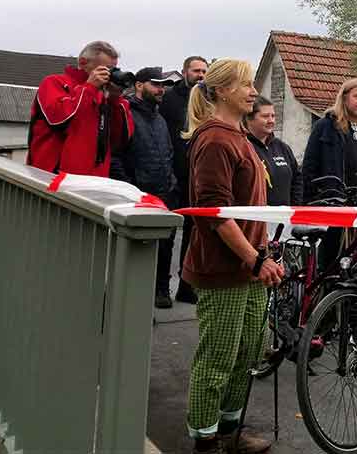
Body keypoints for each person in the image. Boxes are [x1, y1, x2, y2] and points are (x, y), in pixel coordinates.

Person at [180, 58, 283, 454]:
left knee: (246, 356)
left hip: (251, 267)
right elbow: (215, 214)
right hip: (224, 269)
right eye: (245, 84)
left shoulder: (238, 136)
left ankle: (229, 434)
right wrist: (255, 260)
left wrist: (264, 255)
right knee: (218, 358)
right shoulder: (215, 140)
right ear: (222, 91)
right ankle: (205, 443)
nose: (253, 91)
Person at [301, 77, 357, 272]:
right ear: (344, 98)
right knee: (331, 262)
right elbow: (309, 166)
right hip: (333, 203)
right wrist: (312, 199)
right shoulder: (326, 126)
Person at [109, 67, 178, 309]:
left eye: (163, 85)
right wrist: (129, 187)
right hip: (134, 196)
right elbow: (115, 154)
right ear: (139, 85)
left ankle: (160, 290)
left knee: (165, 245)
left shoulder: (159, 119)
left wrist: (170, 179)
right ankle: (133, 305)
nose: (161, 90)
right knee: (136, 252)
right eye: (155, 84)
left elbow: (168, 152)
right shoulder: (125, 112)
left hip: (162, 194)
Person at [27, 41, 133, 177]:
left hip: (95, 178)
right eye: (106, 68)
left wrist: (115, 99)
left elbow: (119, 139)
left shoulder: (103, 96)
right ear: (83, 62)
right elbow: (59, 121)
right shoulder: (54, 82)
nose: (110, 74)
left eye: (113, 69)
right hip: (55, 178)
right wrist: (89, 87)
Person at [161, 55, 209, 305]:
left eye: (204, 71)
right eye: (195, 70)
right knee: (167, 233)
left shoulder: (208, 100)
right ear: (184, 72)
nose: (200, 75)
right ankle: (161, 287)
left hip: (197, 175)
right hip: (173, 175)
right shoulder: (170, 99)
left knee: (194, 233)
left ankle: (186, 286)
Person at [244, 96, 303, 208]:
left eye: (273, 116)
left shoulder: (282, 147)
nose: (271, 120)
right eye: (265, 116)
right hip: (257, 219)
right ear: (249, 119)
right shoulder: (244, 147)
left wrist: (294, 208)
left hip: (284, 220)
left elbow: (297, 180)